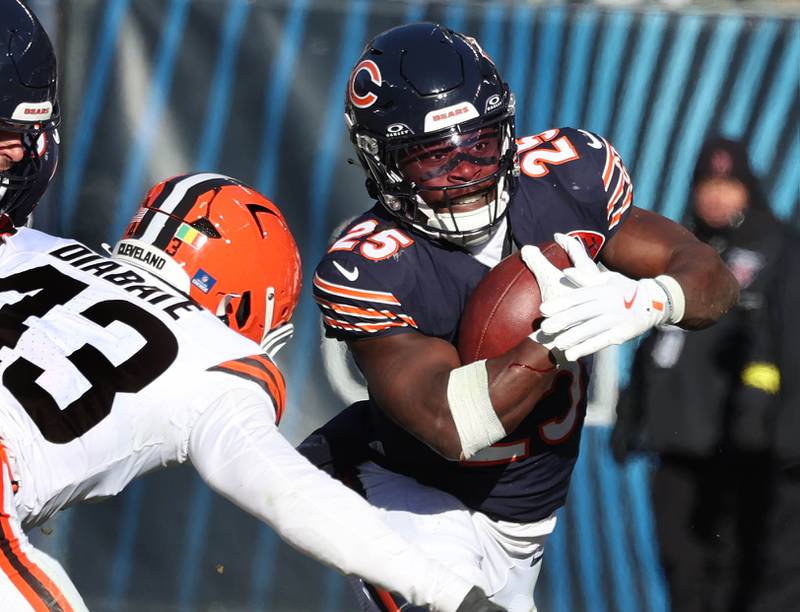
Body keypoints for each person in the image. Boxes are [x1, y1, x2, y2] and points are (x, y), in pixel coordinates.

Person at [0, 4, 505, 611]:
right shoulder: (216, 359)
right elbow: (293, 495)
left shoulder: (27, 247)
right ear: (247, 304)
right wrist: (454, 594)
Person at [297, 22, 739, 612]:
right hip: (409, 494)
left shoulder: (565, 178)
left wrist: (650, 299)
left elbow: (709, 276)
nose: (467, 175)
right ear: (384, 163)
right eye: (432, 159)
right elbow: (451, 423)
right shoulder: (371, 265)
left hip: (525, 518)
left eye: (479, 147)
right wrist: (550, 337)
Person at [611, 137, 800, 612]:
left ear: (748, 188)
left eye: (728, 184)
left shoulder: (774, 248)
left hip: (736, 441)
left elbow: (771, 349)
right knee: (679, 560)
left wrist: (759, 421)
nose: (716, 196)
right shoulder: (681, 247)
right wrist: (630, 416)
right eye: (707, 184)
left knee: (730, 564)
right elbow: (656, 346)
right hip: (674, 443)